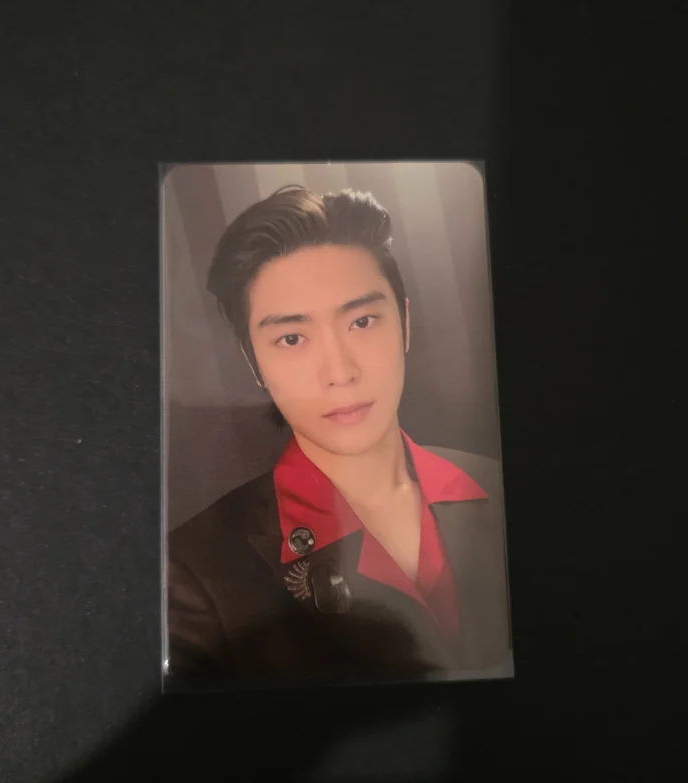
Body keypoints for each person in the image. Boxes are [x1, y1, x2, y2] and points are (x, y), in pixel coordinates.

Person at [167, 185, 512, 687]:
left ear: (405, 322)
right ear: (254, 362)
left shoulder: (499, 485)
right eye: (292, 338)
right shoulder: (192, 572)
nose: (340, 371)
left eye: (362, 321)